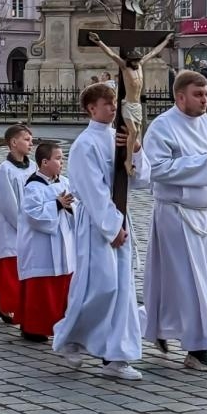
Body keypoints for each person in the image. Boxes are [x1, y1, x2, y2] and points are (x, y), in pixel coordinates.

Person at [53, 84, 152, 380]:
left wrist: (135, 149)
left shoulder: (117, 138)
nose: (112, 108)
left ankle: (116, 357)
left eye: (114, 103)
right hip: (97, 223)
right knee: (101, 287)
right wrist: (111, 226)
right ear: (91, 108)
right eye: (106, 104)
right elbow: (92, 189)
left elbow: (138, 180)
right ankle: (70, 337)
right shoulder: (86, 143)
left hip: (118, 217)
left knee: (122, 290)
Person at [142, 70, 207, 372]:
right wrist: (202, 162)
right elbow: (155, 169)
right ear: (179, 96)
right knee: (190, 283)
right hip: (177, 215)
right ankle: (198, 349)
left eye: (206, 94)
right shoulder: (162, 127)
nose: (205, 99)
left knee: (198, 282)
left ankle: (156, 327)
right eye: (198, 94)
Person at [88, 31, 173, 174]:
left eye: (137, 60)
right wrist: (99, 42)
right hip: (128, 104)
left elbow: (154, 52)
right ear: (129, 60)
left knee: (137, 133)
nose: (136, 62)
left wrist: (165, 41)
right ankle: (128, 161)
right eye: (134, 60)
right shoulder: (124, 67)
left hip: (137, 105)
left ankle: (134, 159)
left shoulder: (140, 65)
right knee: (132, 132)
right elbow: (112, 54)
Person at [15, 141, 75, 342]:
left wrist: (70, 208)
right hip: (41, 247)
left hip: (63, 243)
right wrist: (57, 204)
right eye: (58, 158)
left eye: (61, 158)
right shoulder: (33, 186)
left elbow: (77, 207)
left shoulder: (64, 182)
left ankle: (61, 324)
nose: (62, 162)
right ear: (44, 162)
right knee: (42, 290)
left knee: (63, 287)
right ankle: (34, 327)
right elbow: (33, 215)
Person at [0, 123, 33, 324]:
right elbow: (8, 204)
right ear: (14, 143)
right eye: (26, 139)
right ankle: (7, 306)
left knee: (27, 271)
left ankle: (3, 306)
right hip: (11, 230)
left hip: (32, 227)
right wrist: (23, 225)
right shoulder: (4, 171)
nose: (31, 143)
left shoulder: (33, 167)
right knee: (11, 271)